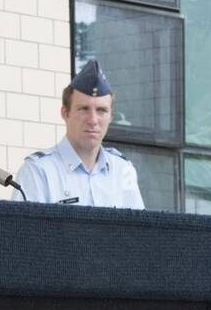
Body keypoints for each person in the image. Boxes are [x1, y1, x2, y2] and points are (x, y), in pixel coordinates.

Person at [13, 59, 144, 209]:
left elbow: (138, 231)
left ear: (111, 117)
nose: (93, 120)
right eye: (83, 109)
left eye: (101, 110)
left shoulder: (123, 170)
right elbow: (22, 231)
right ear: (65, 113)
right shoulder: (39, 171)